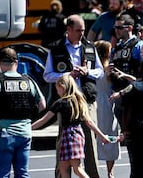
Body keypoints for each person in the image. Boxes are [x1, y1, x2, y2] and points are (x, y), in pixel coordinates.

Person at [43, 14, 104, 178]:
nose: (81, 34)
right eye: (78, 30)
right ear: (68, 30)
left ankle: (93, 175)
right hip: (66, 102)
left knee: (90, 141)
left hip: (86, 99)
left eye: (83, 30)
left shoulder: (89, 47)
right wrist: (68, 75)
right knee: (63, 142)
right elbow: (47, 75)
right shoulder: (55, 48)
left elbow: (100, 71)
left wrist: (87, 72)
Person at [32, 75, 111, 178]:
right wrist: (102, 136)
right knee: (67, 167)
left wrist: (29, 128)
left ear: (63, 87)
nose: (57, 92)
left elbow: (44, 120)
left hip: (67, 135)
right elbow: (89, 122)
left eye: (58, 89)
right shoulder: (79, 101)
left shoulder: (60, 103)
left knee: (74, 168)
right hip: (78, 134)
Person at [0, 47, 46, 178]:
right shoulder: (28, 81)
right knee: (22, 173)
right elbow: (42, 105)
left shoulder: (0, 81)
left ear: (0, 62)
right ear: (16, 63)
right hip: (25, 132)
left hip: (4, 133)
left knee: (2, 173)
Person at [94, 40, 121, 178]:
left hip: (95, 101)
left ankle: (94, 168)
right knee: (110, 134)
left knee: (97, 135)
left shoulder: (92, 68)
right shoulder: (109, 68)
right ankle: (110, 171)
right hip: (107, 102)